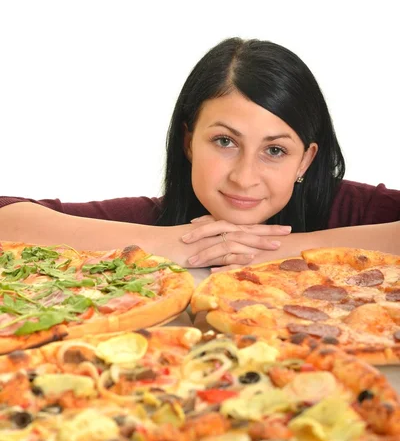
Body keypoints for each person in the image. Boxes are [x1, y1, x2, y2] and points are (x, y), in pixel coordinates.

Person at [0, 38, 398, 271]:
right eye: (225, 142)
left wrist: (265, 249)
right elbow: (8, 218)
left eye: (274, 150)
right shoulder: (157, 219)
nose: (245, 176)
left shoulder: (350, 208)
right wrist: (173, 245)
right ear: (189, 141)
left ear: (306, 160)